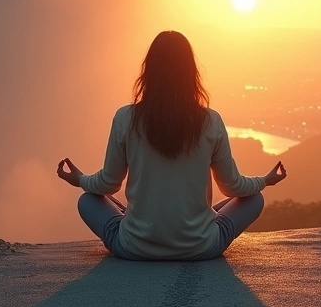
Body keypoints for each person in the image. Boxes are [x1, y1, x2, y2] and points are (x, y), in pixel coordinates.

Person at [55, 30, 287, 261]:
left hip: (134, 248)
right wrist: (264, 181)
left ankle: (145, 222)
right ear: (191, 73)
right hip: (201, 248)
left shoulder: (126, 118)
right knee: (254, 197)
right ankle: (196, 223)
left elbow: (107, 184)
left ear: (148, 71)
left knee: (88, 199)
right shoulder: (210, 121)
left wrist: (80, 180)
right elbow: (233, 188)